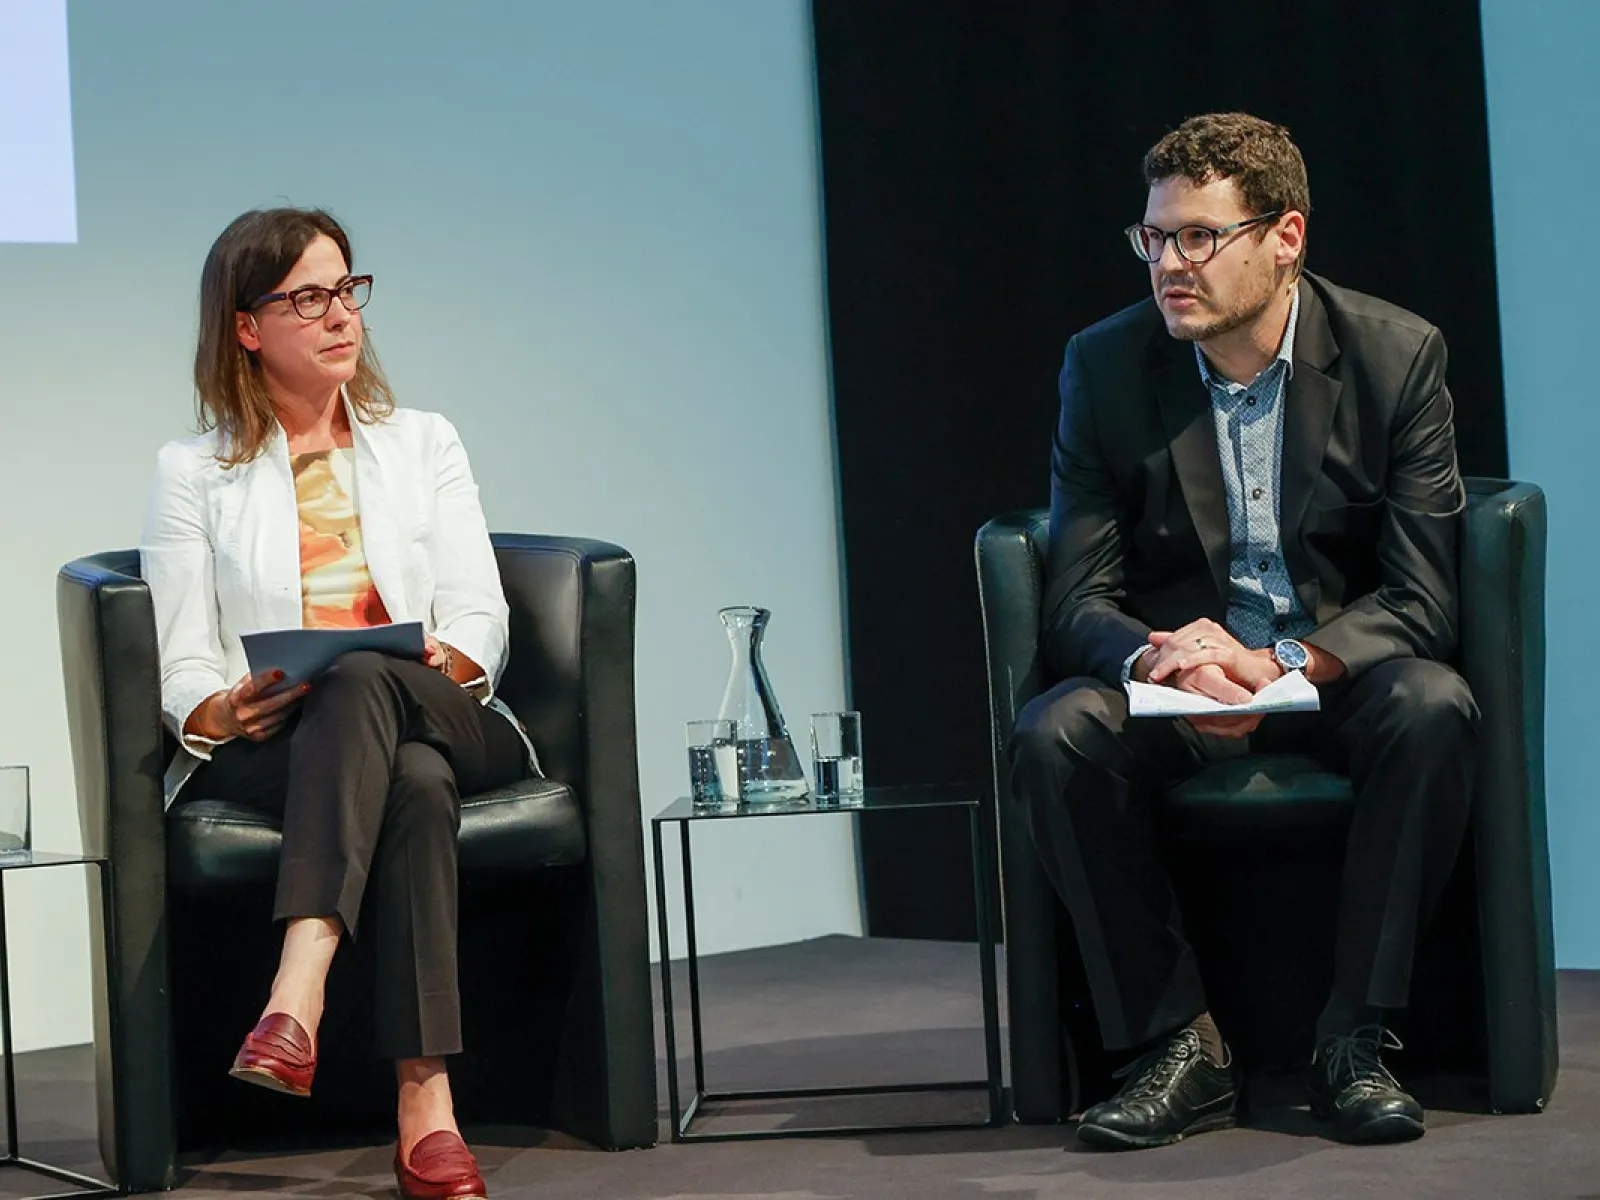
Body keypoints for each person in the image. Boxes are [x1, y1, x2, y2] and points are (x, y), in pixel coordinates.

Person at [1008, 113, 1476, 1150]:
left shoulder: (1397, 357)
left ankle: (1356, 1038)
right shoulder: (1103, 365)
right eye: (1154, 239)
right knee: (1056, 728)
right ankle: (1177, 1048)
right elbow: (1075, 595)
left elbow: (1419, 597)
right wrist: (1159, 658)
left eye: (1197, 238)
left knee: (1433, 705)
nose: (1169, 266)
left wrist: (1274, 664)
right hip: (1185, 680)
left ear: (1285, 236)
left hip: (1332, 676)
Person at [141, 207, 534, 1199]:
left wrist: (451, 655)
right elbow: (182, 660)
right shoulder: (192, 473)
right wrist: (225, 711)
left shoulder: (424, 443)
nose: (338, 315)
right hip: (295, 741)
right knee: (412, 779)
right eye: (306, 297)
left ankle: (297, 988)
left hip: (441, 702)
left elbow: (481, 607)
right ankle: (426, 1106)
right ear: (245, 327)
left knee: (370, 678)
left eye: (346, 289)